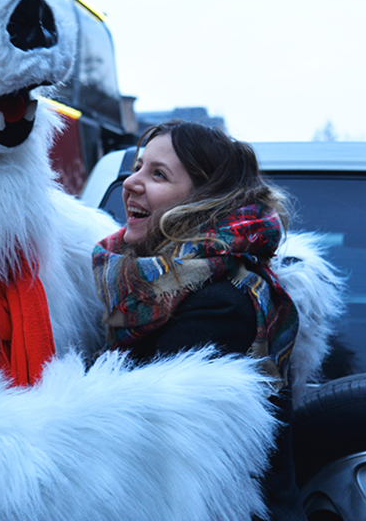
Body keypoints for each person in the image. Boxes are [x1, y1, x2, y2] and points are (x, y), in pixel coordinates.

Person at [92, 120, 306, 520]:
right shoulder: (143, 281)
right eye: (137, 167)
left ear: (205, 198)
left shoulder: (222, 304)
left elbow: (150, 447)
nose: (132, 183)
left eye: (158, 174)